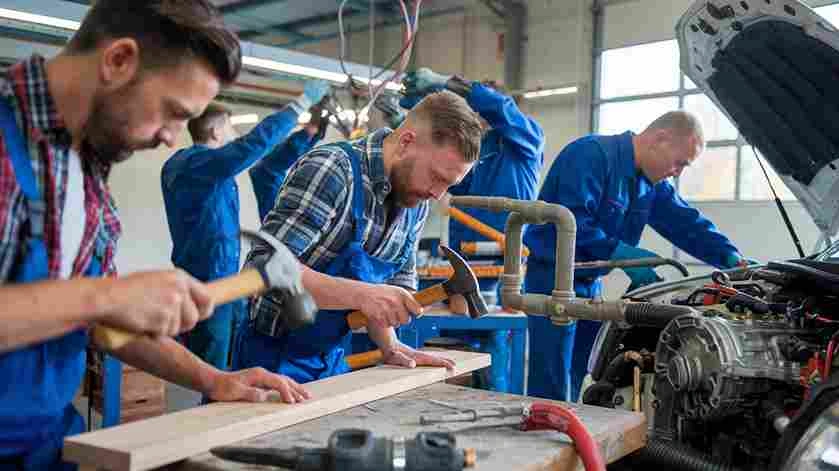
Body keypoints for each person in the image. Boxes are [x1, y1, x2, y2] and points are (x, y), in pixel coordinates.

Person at [0, 2, 308, 469]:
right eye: (173, 111)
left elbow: (104, 326)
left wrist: (212, 379)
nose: (172, 137)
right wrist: (104, 295)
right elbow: (95, 305)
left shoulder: (86, 172)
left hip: (45, 447)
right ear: (118, 60)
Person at [233, 90, 484, 383]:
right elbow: (263, 270)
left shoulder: (416, 202)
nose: (437, 193)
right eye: (436, 176)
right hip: (269, 358)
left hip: (330, 358)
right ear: (406, 143)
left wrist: (390, 344)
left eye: (448, 185)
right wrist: (362, 295)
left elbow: (392, 288)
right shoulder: (333, 170)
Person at [522, 111, 749, 401]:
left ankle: (572, 434)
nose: (678, 172)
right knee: (552, 377)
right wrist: (619, 252)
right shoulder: (590, 155)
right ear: (660, 138)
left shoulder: (650, 185)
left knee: (584, 371)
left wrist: (731, 257)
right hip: (552, 280)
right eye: (680, 162)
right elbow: (571, 218)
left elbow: (687, 224)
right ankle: (543, 437)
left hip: (590, 283)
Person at [161, 80, 329, 371]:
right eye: (229, 127)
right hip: (206, 287)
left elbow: (266, 165)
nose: (235, 134)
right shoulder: (192, 165)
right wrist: (300, 103)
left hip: (229, 284)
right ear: (215, 131)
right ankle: (205, 416)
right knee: (209, 372)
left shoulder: (212, 171)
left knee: (234, 365)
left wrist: (310, 132)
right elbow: (251, 148)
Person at [401, 68, 544, 305]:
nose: (474, 115)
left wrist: (446, 83)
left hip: (503, 257)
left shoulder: (528, 139)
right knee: (456, 333)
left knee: (496, 331)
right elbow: (458, 185)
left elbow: (501, 108)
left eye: (476, 106)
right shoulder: (478, 148)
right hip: (464, 254)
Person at [249, 105, 327, 221]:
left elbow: (296, 151)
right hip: (267, 174)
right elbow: (295, 150)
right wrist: (312, 134)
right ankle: (310, 131)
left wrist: (313, 135)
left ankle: (311, 131)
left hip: (267, 174)